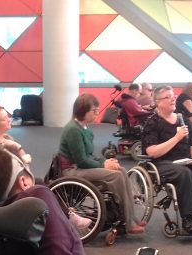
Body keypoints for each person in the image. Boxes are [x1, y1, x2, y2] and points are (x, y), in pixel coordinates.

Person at [141, 86, 192, 235]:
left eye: (173, 96)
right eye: (168, 97)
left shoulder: (182, 119)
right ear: (158, 102)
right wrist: (177, 138)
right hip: (161, 163)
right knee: (184, 172)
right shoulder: (152, 122)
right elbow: (152, 151)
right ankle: (188, 218)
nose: (173, 99)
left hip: (184, 160)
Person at [58, 93, 144, 235]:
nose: (97, 112)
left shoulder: (84, 129)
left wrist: (106, 162)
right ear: (82, 111)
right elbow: (81, 161)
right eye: (94, 110)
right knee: (115, 176)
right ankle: (128, 222)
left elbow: (89, 156)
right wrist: (104, 165)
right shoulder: (73, 130)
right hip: (72, 170)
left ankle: (131, 217)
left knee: (121, 170)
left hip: (80, 167)